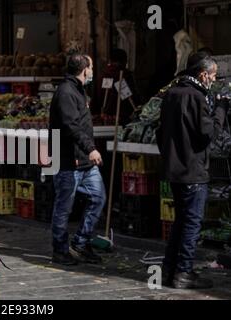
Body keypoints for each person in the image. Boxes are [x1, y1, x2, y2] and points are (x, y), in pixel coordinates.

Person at [156, 52, 230, 289]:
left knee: (181, 222)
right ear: (203, 74)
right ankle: (184, 272)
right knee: (191, 223)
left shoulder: (171, 94)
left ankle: (170, 269)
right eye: (213, 75)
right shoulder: (197, 97)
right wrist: (220, 110)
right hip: (192, 170)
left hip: (175, 169)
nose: (213, 79)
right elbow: (209, 134)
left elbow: (160, 133)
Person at [49, 53, 107, 266]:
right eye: (91, 68)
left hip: (84, 161)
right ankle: (60, 250)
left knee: (98, 197)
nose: (92, 72)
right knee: (64, 207)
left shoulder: (78, 90)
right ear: (85, 71)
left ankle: (81, 243)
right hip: (67, 160)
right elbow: (70, 125)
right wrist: (91, 148)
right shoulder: (66, 92)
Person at [97, 48, 140, 125]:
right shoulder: (127, 76)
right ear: (124, 61)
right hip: (124, 120)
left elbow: (97, 98)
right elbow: (135, 99)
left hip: (105, 119)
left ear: (110, 60)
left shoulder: (103, 75)